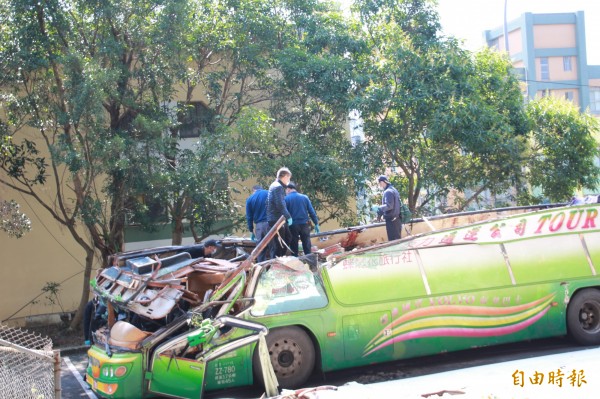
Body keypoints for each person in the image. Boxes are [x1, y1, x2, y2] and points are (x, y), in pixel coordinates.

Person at [285, 182, 320, 256]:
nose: (286, 192)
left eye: (286, 190)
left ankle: (295, 262)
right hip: (304, 224)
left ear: (288, 189)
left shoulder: (286, 199)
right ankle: (309, 262)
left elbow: (284, 213)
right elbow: (311, 211)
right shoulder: (305, 197)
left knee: (294, 245)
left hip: (292, 225)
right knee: (307, 244)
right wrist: (316, 223)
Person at [266, 167, 293, 258]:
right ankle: (277, 261)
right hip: (276, 219)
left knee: (287, 238)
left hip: (278, 219)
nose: (289, 180)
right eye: (289, 178)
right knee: (279, 244)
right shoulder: (278, 187)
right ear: (285, 176)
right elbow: (280, 204)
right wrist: (288, 216)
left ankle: (280, 258)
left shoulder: (276, 185)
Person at [246, 184, 269, 262]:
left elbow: (249, 217)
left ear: (253, 191)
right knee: (274, 248)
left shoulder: (250, 199)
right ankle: (274, 270)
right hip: (272, 224)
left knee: (260, 249)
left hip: (259, 226)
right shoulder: (269, 193)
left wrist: (251, 230)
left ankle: (261, 271)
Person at [376, 175, 402, 241]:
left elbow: (389, 206)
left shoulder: (388, 192)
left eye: (379, 183)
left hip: (392, 221)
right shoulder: (394, 189)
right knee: (397, 241)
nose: (379, 185)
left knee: (393, 242)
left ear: (382, 182)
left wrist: (379, 208)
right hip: (397, 220)